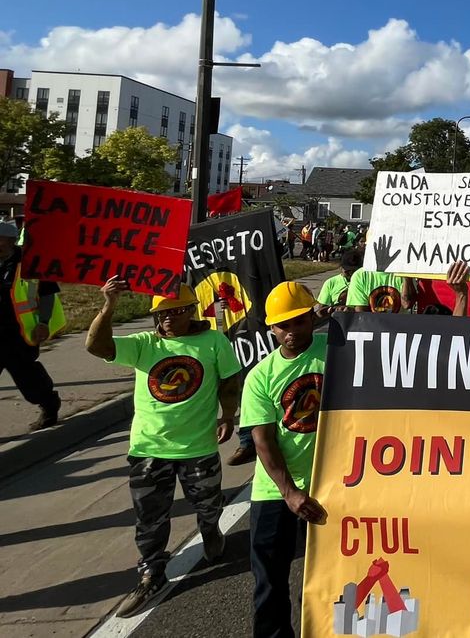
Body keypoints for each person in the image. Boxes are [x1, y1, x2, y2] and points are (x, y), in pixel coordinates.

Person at [87, 280, 241, 617]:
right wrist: (108, 306)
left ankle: (210, 528)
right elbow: (97, 347)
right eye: (161, 313)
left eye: (174, 311)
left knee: (208, 503)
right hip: (149, 448)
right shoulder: (146, 344)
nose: (167, 318)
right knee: (150, 519)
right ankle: (151, 573)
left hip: (197, 447)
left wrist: (228, 415)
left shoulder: (213, 341)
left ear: (190, 311)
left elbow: (229, 381)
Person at [241, 281, 328, 638]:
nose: (292, 332)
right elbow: (263, 441)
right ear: (271, 328)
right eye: (283, 325)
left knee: (328, 574)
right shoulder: (260, 376)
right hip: (275, 491)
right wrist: (290, 492)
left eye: (299, 321)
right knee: (270, 581)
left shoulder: (338, 347)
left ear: (312, 318)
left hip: (332, 482)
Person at [0, 220, 66, 430]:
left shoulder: (31, 262)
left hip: (18, 335)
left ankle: (49, 404)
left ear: (10, 241)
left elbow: (47, 294)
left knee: (29, 381)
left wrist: (43, 323)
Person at [314, 248, 363, 318]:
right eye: (346, 270)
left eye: (353, 271)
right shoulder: (331, 283)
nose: (350, 274)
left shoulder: (364, 282)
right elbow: (320, 312)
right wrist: (335, 308)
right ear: (341, 267)